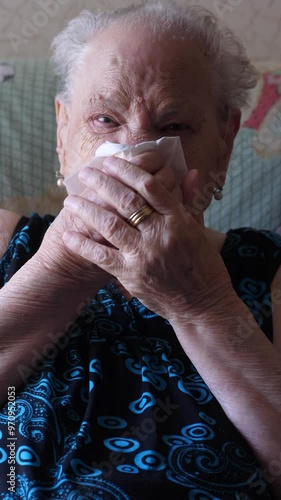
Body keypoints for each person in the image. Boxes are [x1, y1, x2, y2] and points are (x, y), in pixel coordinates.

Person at [0, 1, 280, 498]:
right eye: (105, 120)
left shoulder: (271, 272)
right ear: (64, 133)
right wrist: (58, 268)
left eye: (174, 128)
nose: (136, 154)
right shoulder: (6, 242)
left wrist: (201, 305)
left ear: (225, 141)